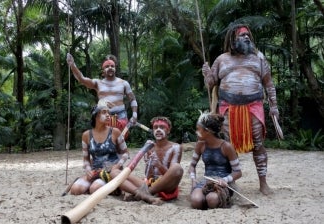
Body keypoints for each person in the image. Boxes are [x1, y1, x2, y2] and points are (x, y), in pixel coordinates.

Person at [202, 24, 279, 195]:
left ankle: (263, 183)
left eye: (248, 35)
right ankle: (230, 182)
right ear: (232, 40)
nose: (246, 38)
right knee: (228, 145)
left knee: (258, 144)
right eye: (241, 35)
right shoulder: (222, 59)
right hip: (228, 108)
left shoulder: (258, 57)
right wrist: (207, 73)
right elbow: (210, 83)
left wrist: (274, 106)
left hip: (253, 107)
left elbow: (269, 84)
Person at [110, 116, 183, 204]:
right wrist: (150, 164)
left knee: (177, 168)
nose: (158, 130)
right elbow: (148, 176)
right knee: (115, 172)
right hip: (150, 183)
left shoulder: (176, 147)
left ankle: (146, 193)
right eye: (155, 127)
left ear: (168, 130)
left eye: (162, 127)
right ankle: (142, 194)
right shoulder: (150, 146)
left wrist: (159, 165)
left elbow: (172, 175)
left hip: (165, 186)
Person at [69, 99, 129, 195]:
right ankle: (104, 188)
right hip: (95, 171)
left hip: (110, 171)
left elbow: (125, 154)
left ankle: (112, 187)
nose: (108, 115)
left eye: (109, 112)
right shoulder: (86, 135)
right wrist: (88, 170)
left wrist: (116, 166)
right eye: (104, 112)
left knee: (94, 189)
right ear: (95, 116)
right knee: (75, 190)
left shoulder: (115, 132)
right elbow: (86, 159)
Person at [66, 53, 138, 133]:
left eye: (112, 66)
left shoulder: (124, 83)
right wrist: (73, 65)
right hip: (105, 116)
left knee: (119, 141)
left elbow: (132, 99)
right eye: (107, 66)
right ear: (103, 70)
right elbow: (81, 79)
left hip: (120, 116)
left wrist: (134, 115)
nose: (110, 68)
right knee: (106, 141)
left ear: (115, 68)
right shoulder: (98, 83)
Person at [188, 111, 242, 210]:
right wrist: (193, 180)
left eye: (198, 129)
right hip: (206, 180)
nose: (196, 132)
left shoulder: (226, 147)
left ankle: (222, 199)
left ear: (207, 131)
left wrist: (225, 180)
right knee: (196, 201)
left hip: (223, 183)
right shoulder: (200, 145)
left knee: (212, 199)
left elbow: (238, 172)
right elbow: (192, 166)